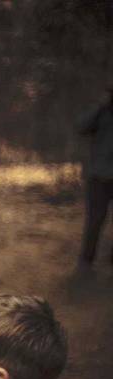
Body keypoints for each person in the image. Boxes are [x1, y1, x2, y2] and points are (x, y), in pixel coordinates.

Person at [77, 88, 113, 269]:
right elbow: (81, 127)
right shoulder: (101, 114)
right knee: (95, 221)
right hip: (99, 177)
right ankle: (87, 260)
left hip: (100, 175)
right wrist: (99, 108)